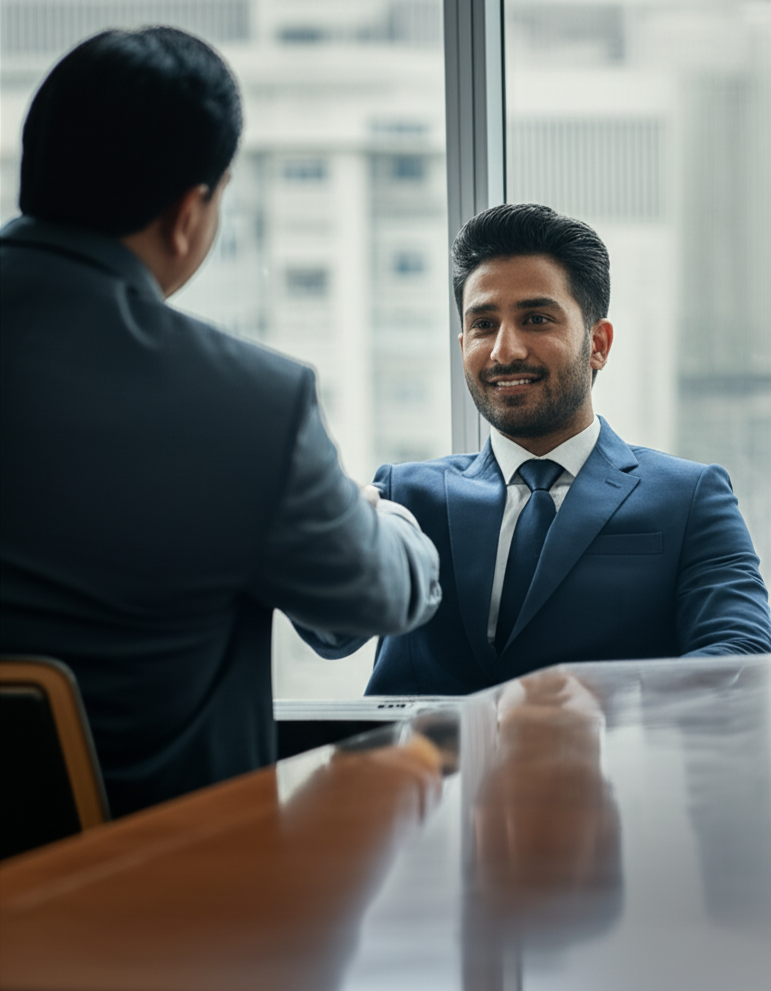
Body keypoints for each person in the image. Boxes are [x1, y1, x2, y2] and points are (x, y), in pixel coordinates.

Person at [0, 27, 441, 816]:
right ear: (187, 213)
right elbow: (373, 599)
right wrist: (375, 515)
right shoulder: (248, 408)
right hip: (164, 903)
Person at [298, 203, 771, 694]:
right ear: (463, 344)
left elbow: (742, 656)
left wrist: (596, 708)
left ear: (598, 344)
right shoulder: (404, 497)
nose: (505, 351)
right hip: (426, 768)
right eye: (483, 325)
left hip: (612, 767)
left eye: (537, 319)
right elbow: (331, 632)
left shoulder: (691, 497)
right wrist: (323, 534)